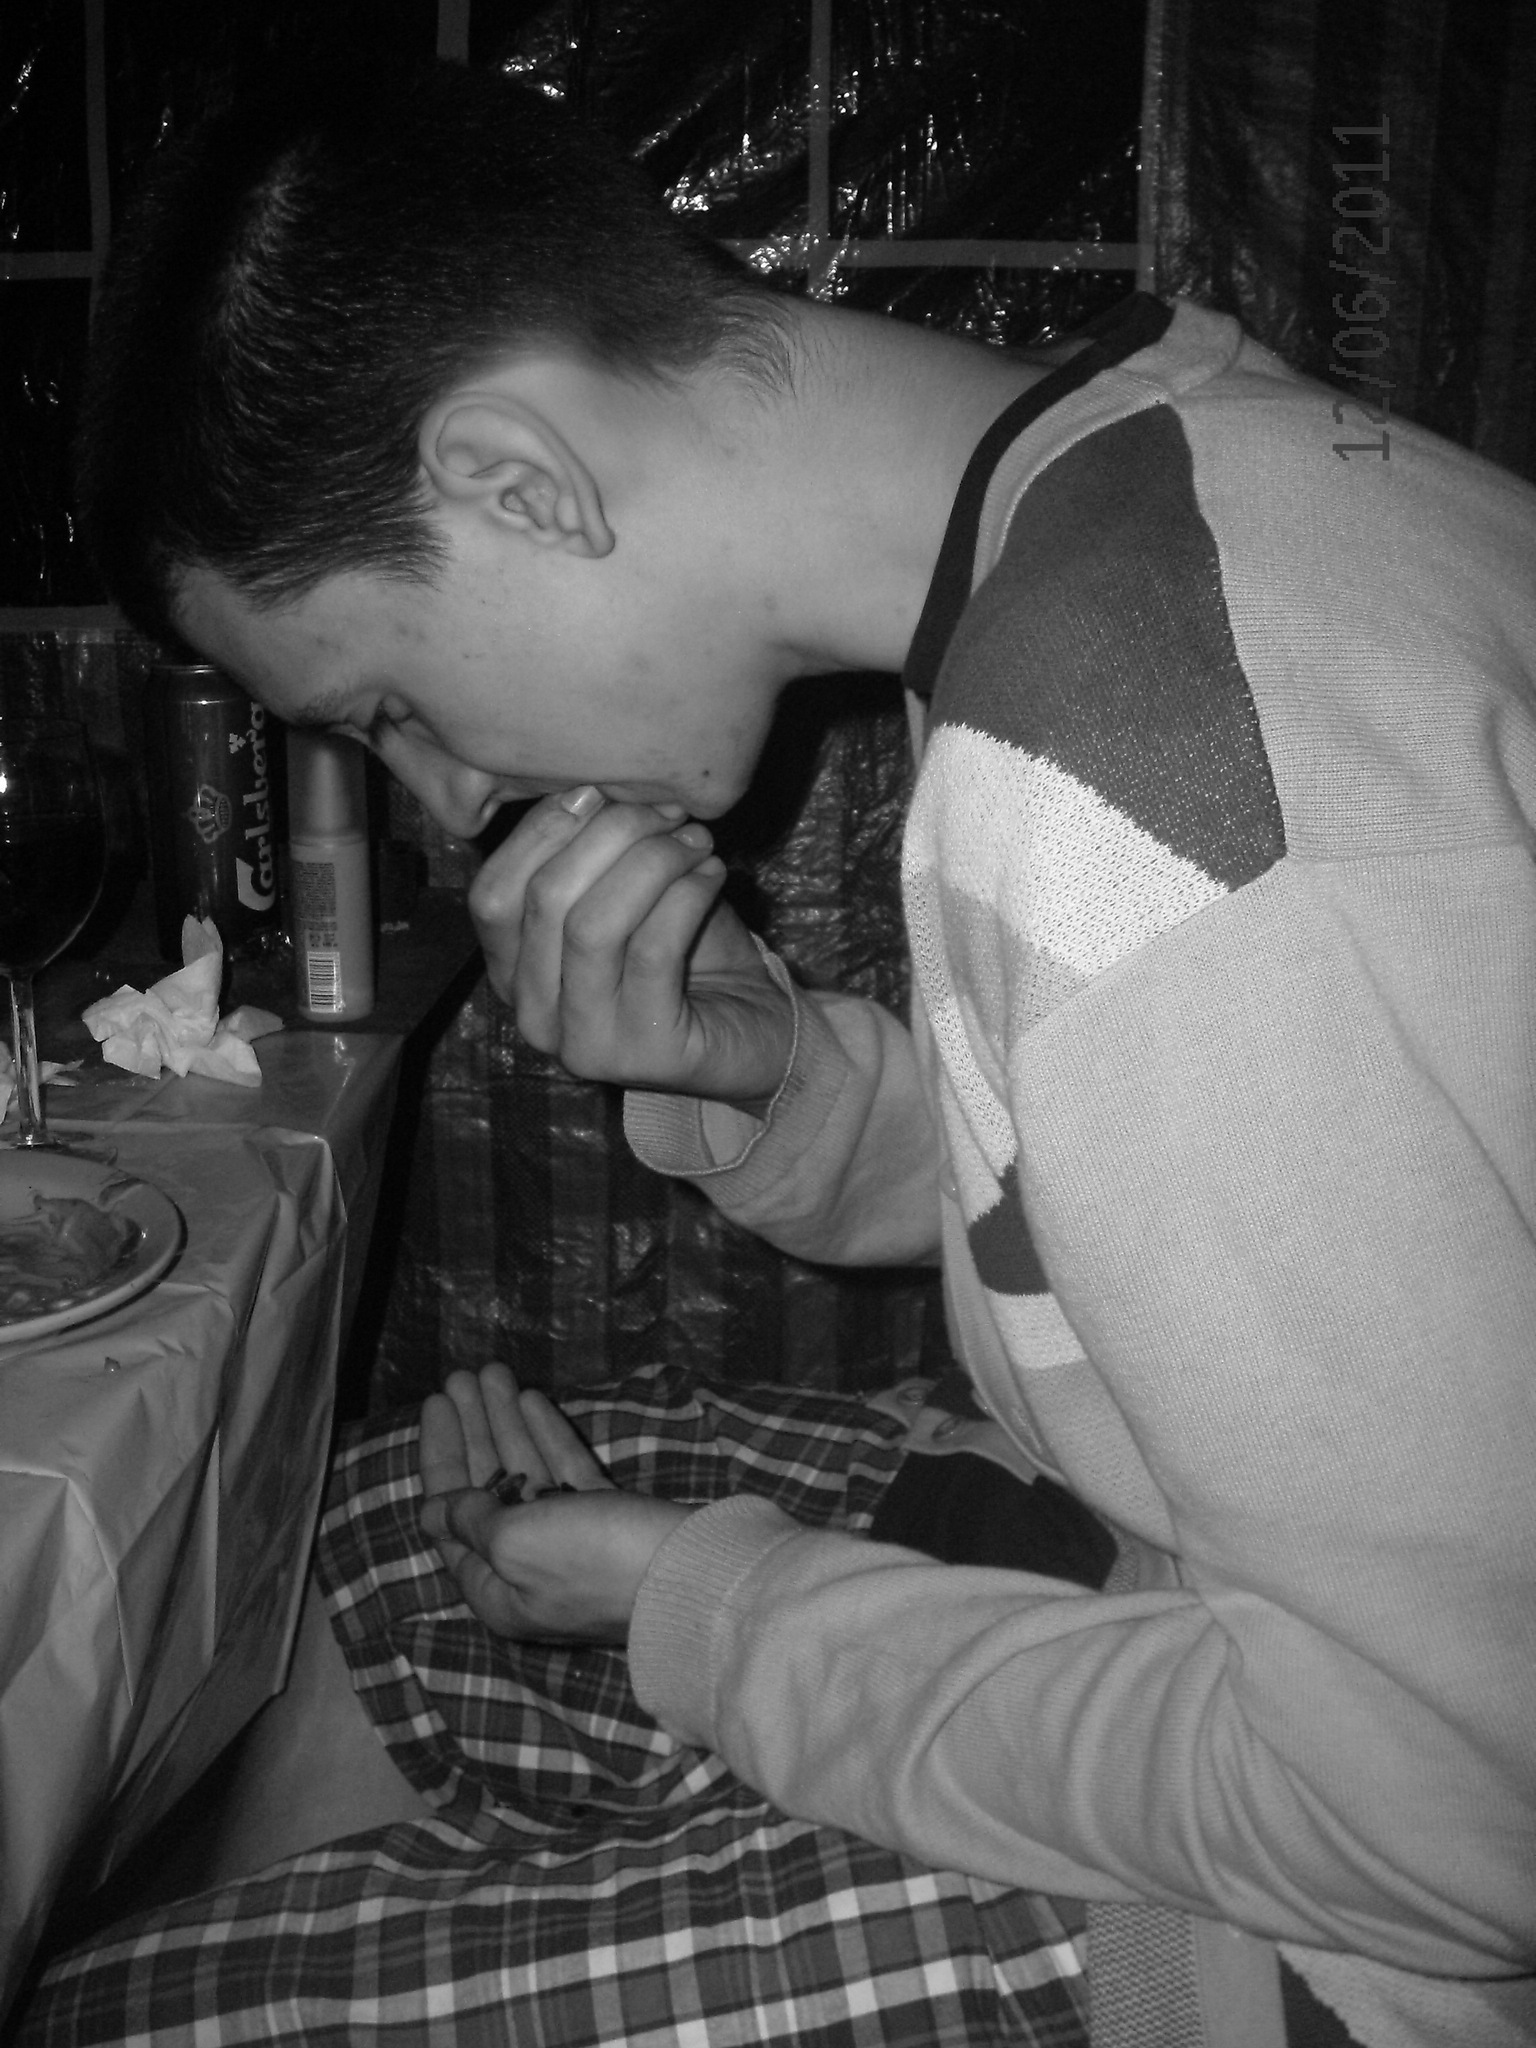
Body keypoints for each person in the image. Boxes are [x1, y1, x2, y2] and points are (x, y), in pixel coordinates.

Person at [21, 56, 1536, 2048]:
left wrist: (710, 1611)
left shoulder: (1143, 776)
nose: (450, 800)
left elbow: (1451, 1824)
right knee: (394, 1532)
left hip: (1356, 1925)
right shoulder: (1149, 460)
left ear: (516, 480)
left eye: (388, 706)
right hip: (1199, 1570)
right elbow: (1181, 1195)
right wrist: (773, 1073)